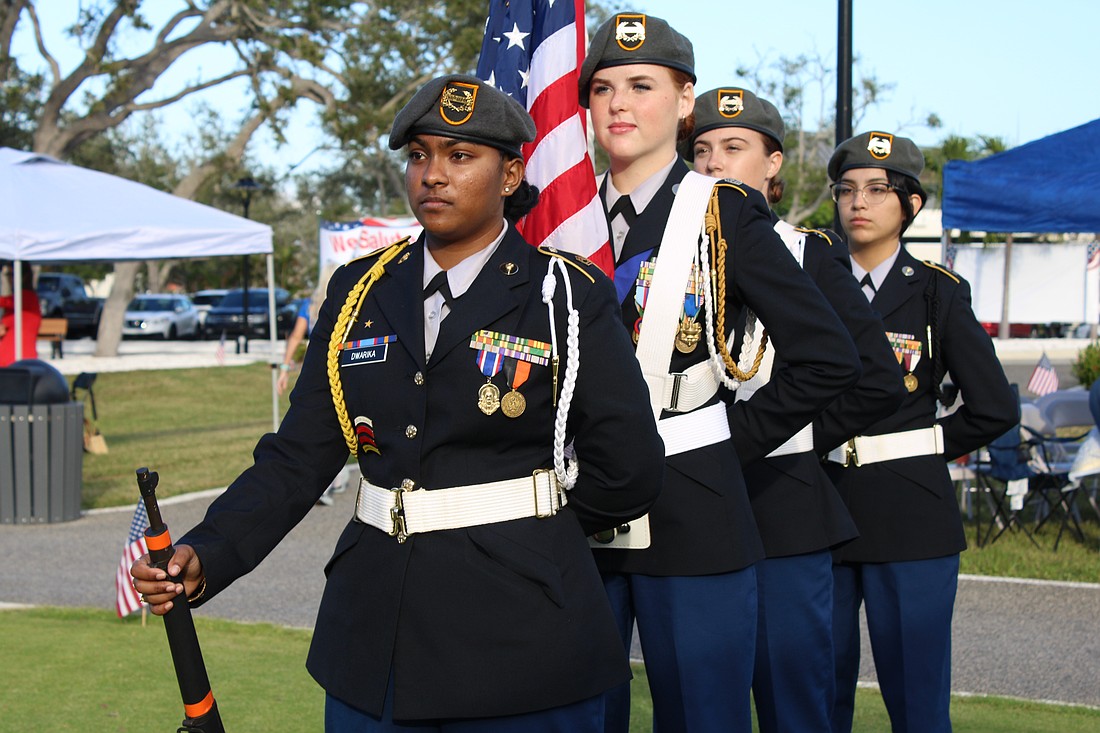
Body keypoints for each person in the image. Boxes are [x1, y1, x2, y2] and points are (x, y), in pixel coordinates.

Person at [132, 74, 665, 732]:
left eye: (460, 156)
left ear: (510, 175)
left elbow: (629, 466)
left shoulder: (563, 295)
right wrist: (208, 550)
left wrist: (531, 533)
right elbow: (297, 457)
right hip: (374, 644)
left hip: (525, 646)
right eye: (419, 156)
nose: (433, 175)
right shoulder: (360, 290)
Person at [579, 13, 862, 732]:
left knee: (704, 718)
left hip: (693, 505)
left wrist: (726, 441)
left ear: (682, 102)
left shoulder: (722, 213)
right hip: (577, 506)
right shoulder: (559, 220)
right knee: (576, 716)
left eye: (642, 85)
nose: (619, 103)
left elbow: (829, 355)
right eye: (603, 87)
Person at [687, 87, 907, 732]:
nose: (713, 164)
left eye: (734, 147)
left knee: (793, 705)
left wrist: (779, 439)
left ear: (773, 163)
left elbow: (874, 381)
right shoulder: (666, 256)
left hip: (779, 503)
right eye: (700, 150)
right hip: (688, 503)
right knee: (701, 699)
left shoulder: (807, 250)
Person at [824, 131, 1019, 732]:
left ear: (911, 206)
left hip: (910, 514)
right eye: (847, 190)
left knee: (916, 694)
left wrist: (920, 447)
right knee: (815, 690)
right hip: (819, 507)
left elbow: (992, 408)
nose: (859, 203)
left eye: (879, 191)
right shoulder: (808, 281)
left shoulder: (938, 292)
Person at [0, 262, 42, 366]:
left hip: (18, 359)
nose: (9, 279)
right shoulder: (18, 303)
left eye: (10, 274)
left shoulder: (26, 298)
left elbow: (3, 301)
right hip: (11, 358)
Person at [276, 297, 312, 395]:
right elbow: (296, 337)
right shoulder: (310, 304)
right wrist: (285, 367)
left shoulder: (310, 304)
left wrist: (284, 369)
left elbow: (296, 337)